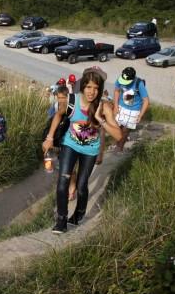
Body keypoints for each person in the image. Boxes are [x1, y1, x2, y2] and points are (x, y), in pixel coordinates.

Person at [42, 69, 122, 234]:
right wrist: (50, 137)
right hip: (70, 144)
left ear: (99, 89)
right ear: (82, 87)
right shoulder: (72, 100)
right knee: (63, 181)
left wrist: (101, 120)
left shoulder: (104, 106)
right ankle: (61, 220)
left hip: (90, 150)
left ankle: (78, 214)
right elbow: (58, 115)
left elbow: (119, 135)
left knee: (81, 185)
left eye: (96, 88)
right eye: (88, 87)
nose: (92, 92)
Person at [113, 67, 149, 153]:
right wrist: (115, 105)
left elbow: (146, 100)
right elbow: (117, 91)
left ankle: (119, 148)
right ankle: (117, 143)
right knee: (117, 127)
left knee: (125, 130)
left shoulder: (139, 83)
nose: (124, 84)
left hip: (134, 110)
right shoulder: (120, 79)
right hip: (121, 106)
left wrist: (140, 115)